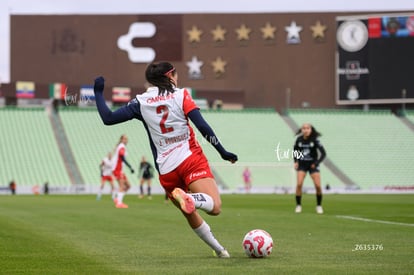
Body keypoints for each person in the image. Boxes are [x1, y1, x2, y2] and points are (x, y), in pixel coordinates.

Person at [93, 61, 238, 258]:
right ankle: (192, 199)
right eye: (175, 73)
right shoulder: (181, 95)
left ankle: (220, 250)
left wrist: (98, 93)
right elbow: (203, 127)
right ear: (170, 76)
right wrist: (221, 150)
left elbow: (108, 118)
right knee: (215, 206)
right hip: (189, 159)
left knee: (189, 212)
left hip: (166, 169)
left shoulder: (140, 102)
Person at [293, 123, 326, 214]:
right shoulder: (299, 140)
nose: (306, 130)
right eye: (304, 128)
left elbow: (323, 154)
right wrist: (296, 161)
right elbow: (295, 151)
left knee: (318, 186)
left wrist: (316, 163)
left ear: (311, 130)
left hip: (313, 165)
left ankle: (319, 206)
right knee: (299, 184)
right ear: (302, 130)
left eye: (307, 128)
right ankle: (298, 205)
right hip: (302, 165)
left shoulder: (315, 140)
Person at [112, 135, 135, 208]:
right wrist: (130, 167)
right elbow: (122, 157)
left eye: (126, 139)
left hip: (120, 170)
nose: (126, 140)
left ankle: (117, 199)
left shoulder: (120, 146)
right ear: (121, 140)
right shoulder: (122, 146)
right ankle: (119, 203)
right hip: (117, 169)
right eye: (124, 139)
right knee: (121, 186)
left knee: (128, 186)